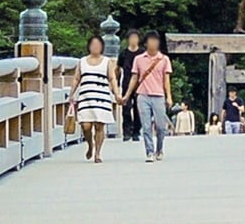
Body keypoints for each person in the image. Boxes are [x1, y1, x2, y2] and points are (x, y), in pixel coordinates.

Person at [128, 31, 175, 162]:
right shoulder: (138, 59)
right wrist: (127, 95)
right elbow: (134, 78)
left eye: (155, 40)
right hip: (143, 95)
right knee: (146, 126)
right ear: (146, 43)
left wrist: (169, 96)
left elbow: (166, 80)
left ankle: (159, 149)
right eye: (150, 40)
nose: (153, 43)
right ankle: (149, 151)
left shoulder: (164, 59)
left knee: (160, 126)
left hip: (158, 95)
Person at [72, 32, 118, 162]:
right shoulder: (82, 61)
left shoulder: (107, 62)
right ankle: (90, 145)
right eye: (93, 45)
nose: (95, 47)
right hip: (86, 96)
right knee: (85, 125)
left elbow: (112, 79)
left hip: (101, 96)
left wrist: (116, 93)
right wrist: (72, 94)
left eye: (98, 45)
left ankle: (97, 153)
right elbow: (76, 78)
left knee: (99, 125)